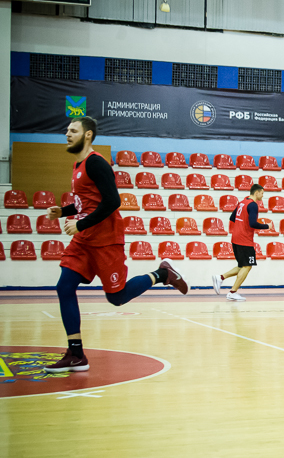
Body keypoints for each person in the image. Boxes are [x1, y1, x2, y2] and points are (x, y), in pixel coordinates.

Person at [43, 117, 188, 374]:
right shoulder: (78, 165)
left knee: (116, 298)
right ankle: (76, 354)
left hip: (106, 240)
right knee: (64, 287)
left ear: (88, 135)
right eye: (67, 130)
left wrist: (80, 224)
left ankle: (162, 274)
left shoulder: (96, 163)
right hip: (84, 240)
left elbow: (112, 202)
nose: (67, 133)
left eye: (73, 130)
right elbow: (85, 202)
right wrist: (63, 211)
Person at [211, 184, 273, 301]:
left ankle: (220, 278)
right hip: (244, 240)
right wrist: (267, 226)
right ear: (256, 192)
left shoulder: (243, 202)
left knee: (242, 266)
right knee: (248, 266)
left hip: (235, 238)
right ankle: (232, 292)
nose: (262, 196)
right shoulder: (253, 205)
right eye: (262, 193)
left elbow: (232, 217)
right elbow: (252, 223)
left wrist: (241, 226)